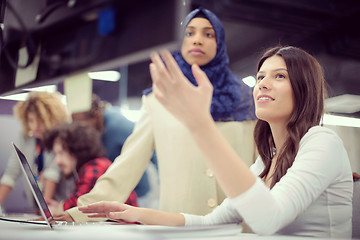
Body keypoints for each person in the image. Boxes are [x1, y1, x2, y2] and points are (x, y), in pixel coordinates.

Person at [79, 46, 353, 238]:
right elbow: (209, 222)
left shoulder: (322, 141)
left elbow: (269, 220)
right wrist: (134, 213)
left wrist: (200, 124)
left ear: (304, 88)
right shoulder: (267, 159)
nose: (262, 84)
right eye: (260, 77)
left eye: (279, 76)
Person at [58, 7, 257, 222]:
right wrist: (78, 213)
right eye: (189, 33)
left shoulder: (247, 99)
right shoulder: (158, 100)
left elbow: (263, 165)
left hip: (239, 226)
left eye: (208, 34)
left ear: (220, 43)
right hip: (177, 223)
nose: (197, 40)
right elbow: (128, 164)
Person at [71, 94, 156, 201]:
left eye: (80, 122)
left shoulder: (118, 126)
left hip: (136, 192)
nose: (78, 128)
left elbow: (151, 152)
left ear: (96, 116)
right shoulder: (97, 128)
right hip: (115, 190)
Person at [42, 122, 138, 215]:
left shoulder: (94, 170)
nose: (57, 161)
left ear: (76, 148)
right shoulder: (94, 165)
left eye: (61, 153)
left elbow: (75, 210)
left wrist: (53, 210)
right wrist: (59, 207)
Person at [0, 91, 71, 211]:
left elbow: (52, 174)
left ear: (53, 118)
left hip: (58, 208)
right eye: (31, 120)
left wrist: (45, 212)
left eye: (41, 121)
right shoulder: (26, 137)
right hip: (37, 208)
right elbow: (11, 173)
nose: (35, 126)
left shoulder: (61, 138)